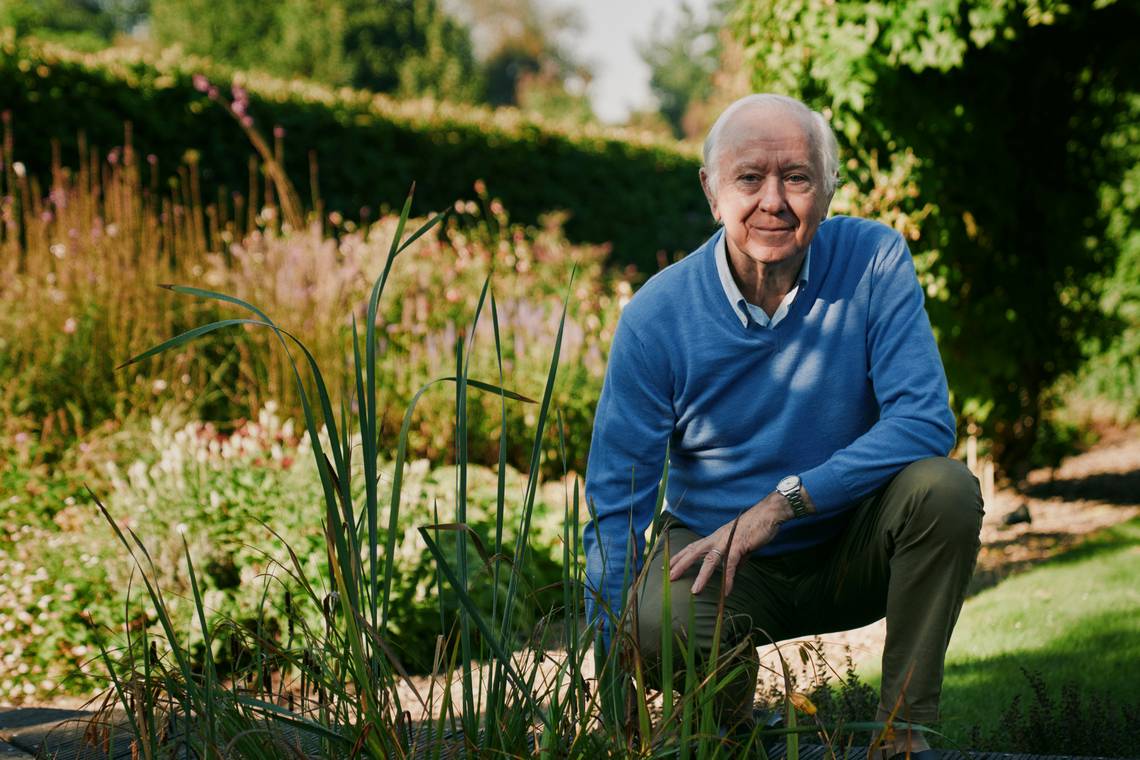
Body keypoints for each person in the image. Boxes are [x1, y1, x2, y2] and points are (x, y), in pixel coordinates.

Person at [582, 93, 983, 759]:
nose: (774, 200)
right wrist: (610, 698)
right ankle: (729, 728)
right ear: (712, 192)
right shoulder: (658, 318)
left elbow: (925, 421)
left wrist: (783, 503)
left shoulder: (874, 260)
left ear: (828, 191)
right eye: (749, 178)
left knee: (945, 490)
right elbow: (615, 505)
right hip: (721, 564)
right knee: (655, 621)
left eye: (797, 177)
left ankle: (901, 735)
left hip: (853, 541)